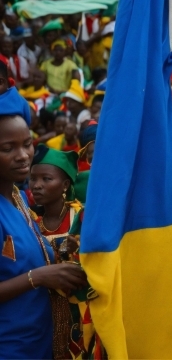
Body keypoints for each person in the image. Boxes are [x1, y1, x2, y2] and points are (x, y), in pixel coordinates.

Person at [0, 87, 86, 359]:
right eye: (7, 148)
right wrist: (37, 278)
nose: (24, 155)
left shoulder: (18, 198)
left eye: (27, 144)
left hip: (40, 344)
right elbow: (32, 275)